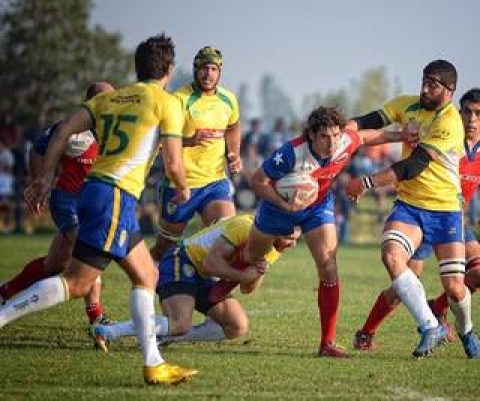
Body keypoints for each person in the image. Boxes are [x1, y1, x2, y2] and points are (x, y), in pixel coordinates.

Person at [0, 34, 197, 385]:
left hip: (98, 192)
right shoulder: (166, 102)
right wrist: (182, 188)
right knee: (76, 282)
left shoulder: (110, 98)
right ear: (169, 69)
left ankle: (154, 364)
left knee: (146, 275)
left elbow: (61, 132)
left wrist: (45, 178)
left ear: (138, 67)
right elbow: (172, 162)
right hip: (115, 196)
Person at [245, 105, 418, 358]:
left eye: (336, 136)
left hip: (317, 207)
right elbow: (257, 181)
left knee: (328, 267)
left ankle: (327, 344)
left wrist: (400, 136)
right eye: (325, 136)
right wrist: (286, 205)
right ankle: (221, 289)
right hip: (277, 209)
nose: (332, 142)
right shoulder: (291, 153)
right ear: (312, 135)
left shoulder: (343, 142)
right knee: (250, 261)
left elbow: (369, 136)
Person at [345, 60, 480, 359]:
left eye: (433, 84)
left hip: (445, 210)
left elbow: (412, 166)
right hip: (410, 207)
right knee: (391, 256)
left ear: (449, 90)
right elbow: (373, 118)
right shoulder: (407, 105)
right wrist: (347, 127)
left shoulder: (449, 122)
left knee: (455, 289)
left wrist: (366, 182)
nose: (424, 89)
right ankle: (429, 326)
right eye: (424, 81)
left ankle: (467, 331)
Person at [0, 83, 114, 331]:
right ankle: (97, 317)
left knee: (53, 266)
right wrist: (39, 181)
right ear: (91, 104)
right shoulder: (74, 131)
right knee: (88, 249)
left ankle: (5, 291)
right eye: (106, 98)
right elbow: (37, 149)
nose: (111, 103)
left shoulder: (115, 131)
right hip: (67, 201)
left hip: (92, 206)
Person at [91, 214, 300, 348]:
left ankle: (170, 336)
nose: (293, 244)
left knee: (237, 326)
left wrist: (258, 272)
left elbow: (247, 289)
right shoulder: (245, 227)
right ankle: (111, 331)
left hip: (203, 276)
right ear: (277, 229)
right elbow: (211, 264)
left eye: (296, 239)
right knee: (180, 322)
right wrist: (244, 275)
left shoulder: (274, 246)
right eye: (290, 238)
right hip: (181, 261)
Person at [150, 46, 241, 264]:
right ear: (195, 70)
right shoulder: (179, 100)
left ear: (219, 72)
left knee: (229, 238)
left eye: (213, 69)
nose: (208, 74)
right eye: (203, 68)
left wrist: (234, 154)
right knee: (165, 248)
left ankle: (210, 292)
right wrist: (190, 140)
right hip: (181, 184)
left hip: (214, 182)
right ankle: (144, 279)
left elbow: (234, 126)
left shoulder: (228, 100)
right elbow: (161, 142)